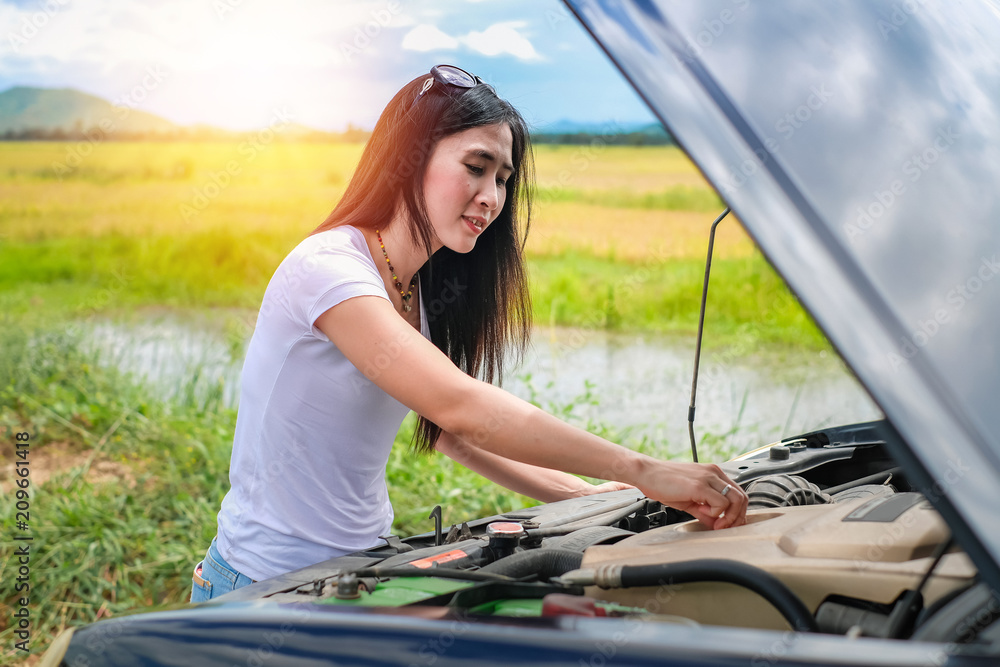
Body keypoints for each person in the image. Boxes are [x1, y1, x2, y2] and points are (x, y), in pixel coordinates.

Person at [190, 65, 747, 602]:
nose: (493, 197)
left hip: (353, 572)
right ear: (409, 159)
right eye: (476, 167)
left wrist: (588, 497)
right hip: (262, 586)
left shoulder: (417, 287)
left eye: (504, 179)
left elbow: (450, 435)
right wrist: (643, 470)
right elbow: (459, 408)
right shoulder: (330, 269)